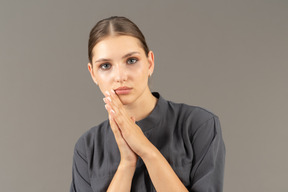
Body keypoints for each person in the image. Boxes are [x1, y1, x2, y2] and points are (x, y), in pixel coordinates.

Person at [70, 16, 225, 192]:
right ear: (93, 74)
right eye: (105, 66)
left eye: (131, 61)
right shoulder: (87, 147)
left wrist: (146, 150)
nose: (120, 76)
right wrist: (127, 164)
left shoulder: (198, 125)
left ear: (150, 63)